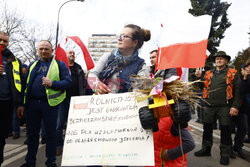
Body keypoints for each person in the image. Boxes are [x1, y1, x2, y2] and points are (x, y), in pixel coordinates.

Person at [17, 40, 72, 167]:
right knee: (32, 135)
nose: (43, 51)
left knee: (51, 134)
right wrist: (22, 104)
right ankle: (30, 162)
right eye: (41, 48)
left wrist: (52, 83)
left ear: (52, 51)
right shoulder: (32, 65)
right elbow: (25, 85)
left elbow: (68, 82)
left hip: (50, 105)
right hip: (32, 105)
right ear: (38, 50)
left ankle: (51, 161)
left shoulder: (59, 64)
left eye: (46, 49)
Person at [147, 50, 195, 167]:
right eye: (151, 58)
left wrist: (170, 154)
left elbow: (189, 144)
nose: (152, 59)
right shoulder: (149, 114)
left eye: (154, 57)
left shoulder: (175, 115)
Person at [194, 51, 241, 165]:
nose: (218, 60)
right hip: (209, 106)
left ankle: (225, 153)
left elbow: (238, 91)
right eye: (217, 59)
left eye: (221, 58)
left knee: (225, 130)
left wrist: (235, 106)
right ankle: (206, 149)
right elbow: (202, 87)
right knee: (207, 129)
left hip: (225, 107)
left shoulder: (233, 73)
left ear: (226, 61)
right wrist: (200, 78)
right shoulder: (209, 73)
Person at [88, 24, 150, 94]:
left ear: (135, 42)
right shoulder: (108, 56)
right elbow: (92, 74)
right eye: (119, 36)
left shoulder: (141, 66)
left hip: (127, 104)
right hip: (101, 103)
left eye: (124, 36)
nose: (119, 38)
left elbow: (141, 92)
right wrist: (96, 85)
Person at [56, 49, 87, 156]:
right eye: (70, 53)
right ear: (66, 55)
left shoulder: (78, 68)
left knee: (75, 125)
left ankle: (73, 146)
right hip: (63, 99)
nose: (72, 54)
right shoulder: (61, 66)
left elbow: (83, 83)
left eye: (73, 53)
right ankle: (59, 146)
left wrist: (82, 97)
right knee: (59, 124)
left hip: (76, 100)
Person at [0, 31, 23, 167]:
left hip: (7, 103)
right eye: (0, 40)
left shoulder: (14, 60)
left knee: (2, 136)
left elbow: (20, 83)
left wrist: (20, 103)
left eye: (5, 41)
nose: (2, 43)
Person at [232, 59, 250, 159]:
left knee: (244, 128)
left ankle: (237, 146)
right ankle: (236, 147)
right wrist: (245, 78)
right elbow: (241, 91)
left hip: (247, 109)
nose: (248, 70)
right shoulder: (241, 79)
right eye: (246, 68)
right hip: (240, 108)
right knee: (242, 128)